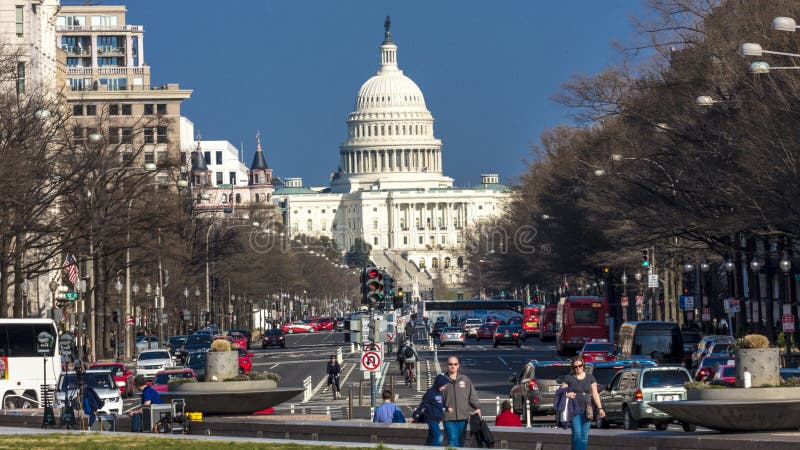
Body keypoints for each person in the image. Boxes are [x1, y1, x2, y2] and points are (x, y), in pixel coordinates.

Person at [561, 357, 605, 450]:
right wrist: (567, 394)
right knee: (577, 433)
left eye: (580, 366)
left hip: (587, 410)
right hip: (574, 410)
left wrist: (600, 408)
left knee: (584, 435)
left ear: (583, 365)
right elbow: (561, 392)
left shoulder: (590, 377)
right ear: (573, 368)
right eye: (575, 367)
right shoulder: (569, 378)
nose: (578, 368)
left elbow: (595, 393)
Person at [441, 356, 481, 448]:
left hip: (463, 418)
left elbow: (472, 395)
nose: (453, 366)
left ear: (458, 366)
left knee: (461, 442)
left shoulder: (465, 379)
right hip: (448, 418)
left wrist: (477, 408)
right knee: (452, 440)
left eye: (455, 364)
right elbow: (436, 398)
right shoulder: (441, 380)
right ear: (447, 365)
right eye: (450, 364)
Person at [417, 374, 449, 446]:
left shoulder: (438, 393)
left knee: (430, 438)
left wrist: (447, 408)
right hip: (431, 419)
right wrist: (414, 416)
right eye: (444, 386)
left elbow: (439, 405)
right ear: (439, 384)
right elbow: (422, 405)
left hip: (437, 420)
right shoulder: (430, 393)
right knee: (439, 437)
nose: (444, 388)